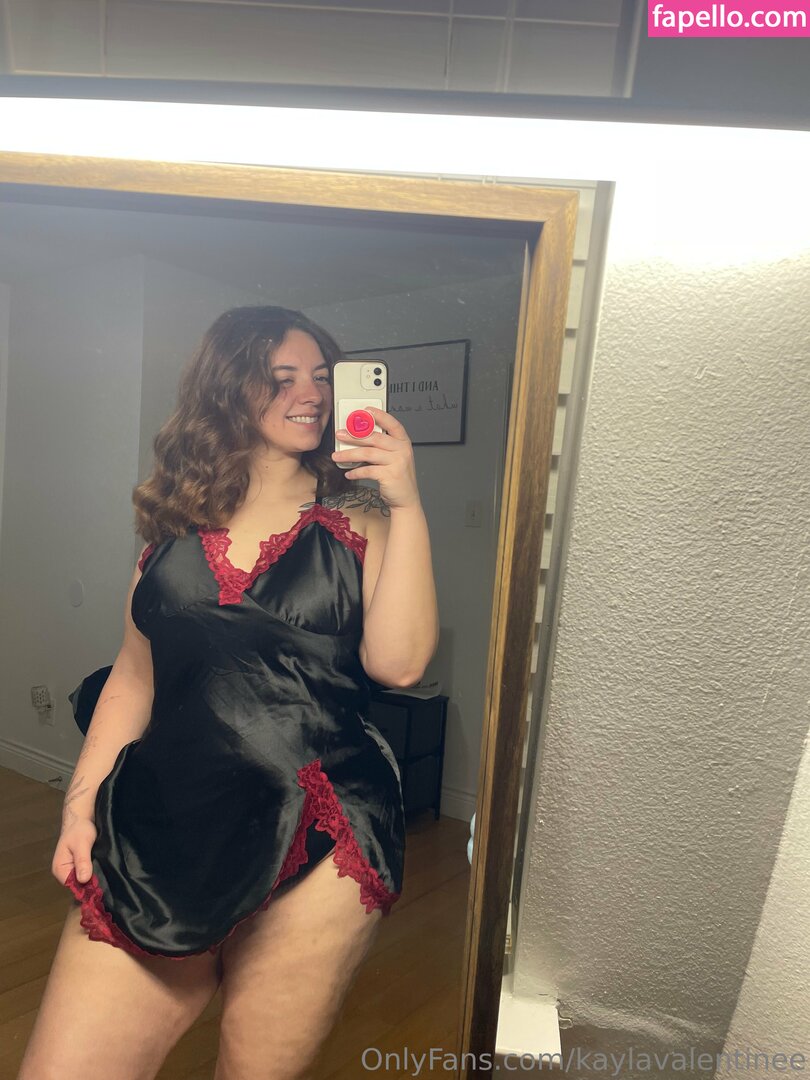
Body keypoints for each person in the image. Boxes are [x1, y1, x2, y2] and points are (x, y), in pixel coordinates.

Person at [17, 305, 440, 1080]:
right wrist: (78, 807)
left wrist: (406, 503)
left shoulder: (363, 520)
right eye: (281, 377)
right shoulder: (171, 526)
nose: (310, 394)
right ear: (226, 388)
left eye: (321, 376)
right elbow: (132, 678)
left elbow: (401, 665)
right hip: (160, 823)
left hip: (319, 825)